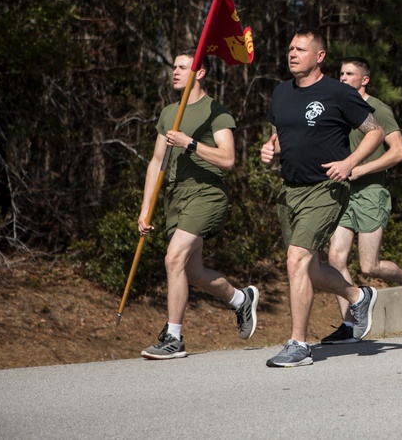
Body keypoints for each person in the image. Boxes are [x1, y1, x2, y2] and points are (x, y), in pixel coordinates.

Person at [261, 29, 383, 367]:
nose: (292, 53)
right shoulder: (281, 92)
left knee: (296, 259)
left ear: (319, 56)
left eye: (300, 48)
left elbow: (375, 132)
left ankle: (298, 344)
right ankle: (358, 296)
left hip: (325, 188)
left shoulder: (338, 93)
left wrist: (350, 162)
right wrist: (271, 150)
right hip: (291, 189)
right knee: (310, 269)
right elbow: (280, 134)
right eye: (290, 47)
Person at [139, 50, 259, 360]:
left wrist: (189, 143)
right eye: (174, 67)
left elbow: (229, 158)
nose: (175, 72)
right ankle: (240, 299)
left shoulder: (214, 111)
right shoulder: (169, 114)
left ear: (200, 73)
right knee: (191, 271)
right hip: (177, 197)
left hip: (207, 193)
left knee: (173, 258)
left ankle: (173, 337)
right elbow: (156, 162)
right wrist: (145, 208)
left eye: (182, 67)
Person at [321, 58, 402, 345]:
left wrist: (360, 169)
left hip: (371, 193)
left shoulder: (378, 109)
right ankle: (349, 323)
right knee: (335, 258)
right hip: (342, 192)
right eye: (340, 73)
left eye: (349, 74)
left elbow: (398, 152)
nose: (343, 78)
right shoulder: (337, 106)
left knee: (369, 266)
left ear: (364, 80)